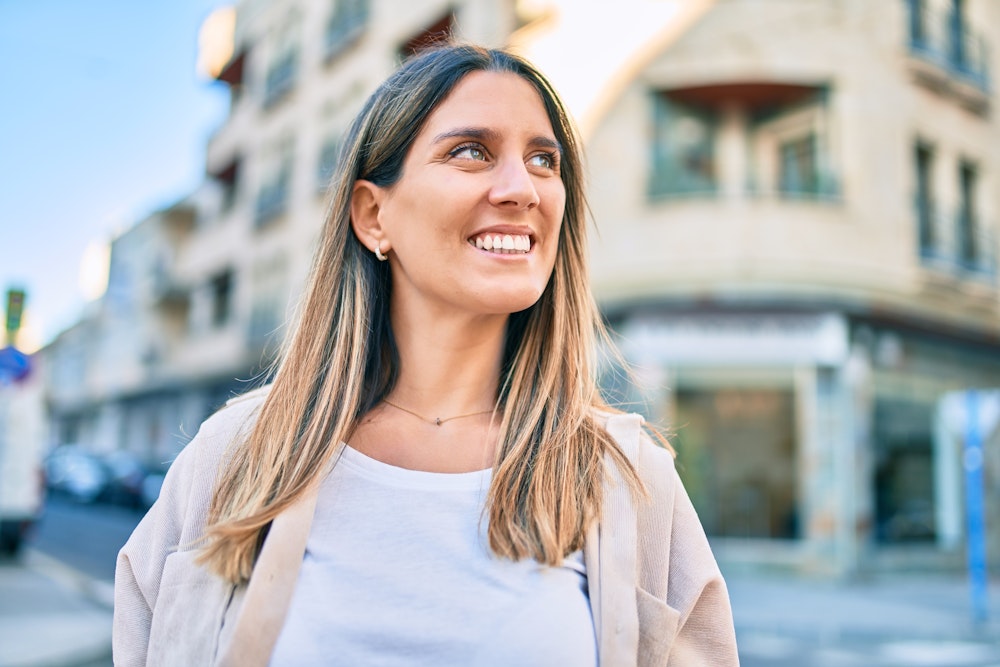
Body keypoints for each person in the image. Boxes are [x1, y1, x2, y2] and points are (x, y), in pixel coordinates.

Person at [113, 43, 739, 666]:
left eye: (544, 160)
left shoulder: (627, 478)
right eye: (472, 151)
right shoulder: (237, 455)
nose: (523, 188)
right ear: (372, 214)